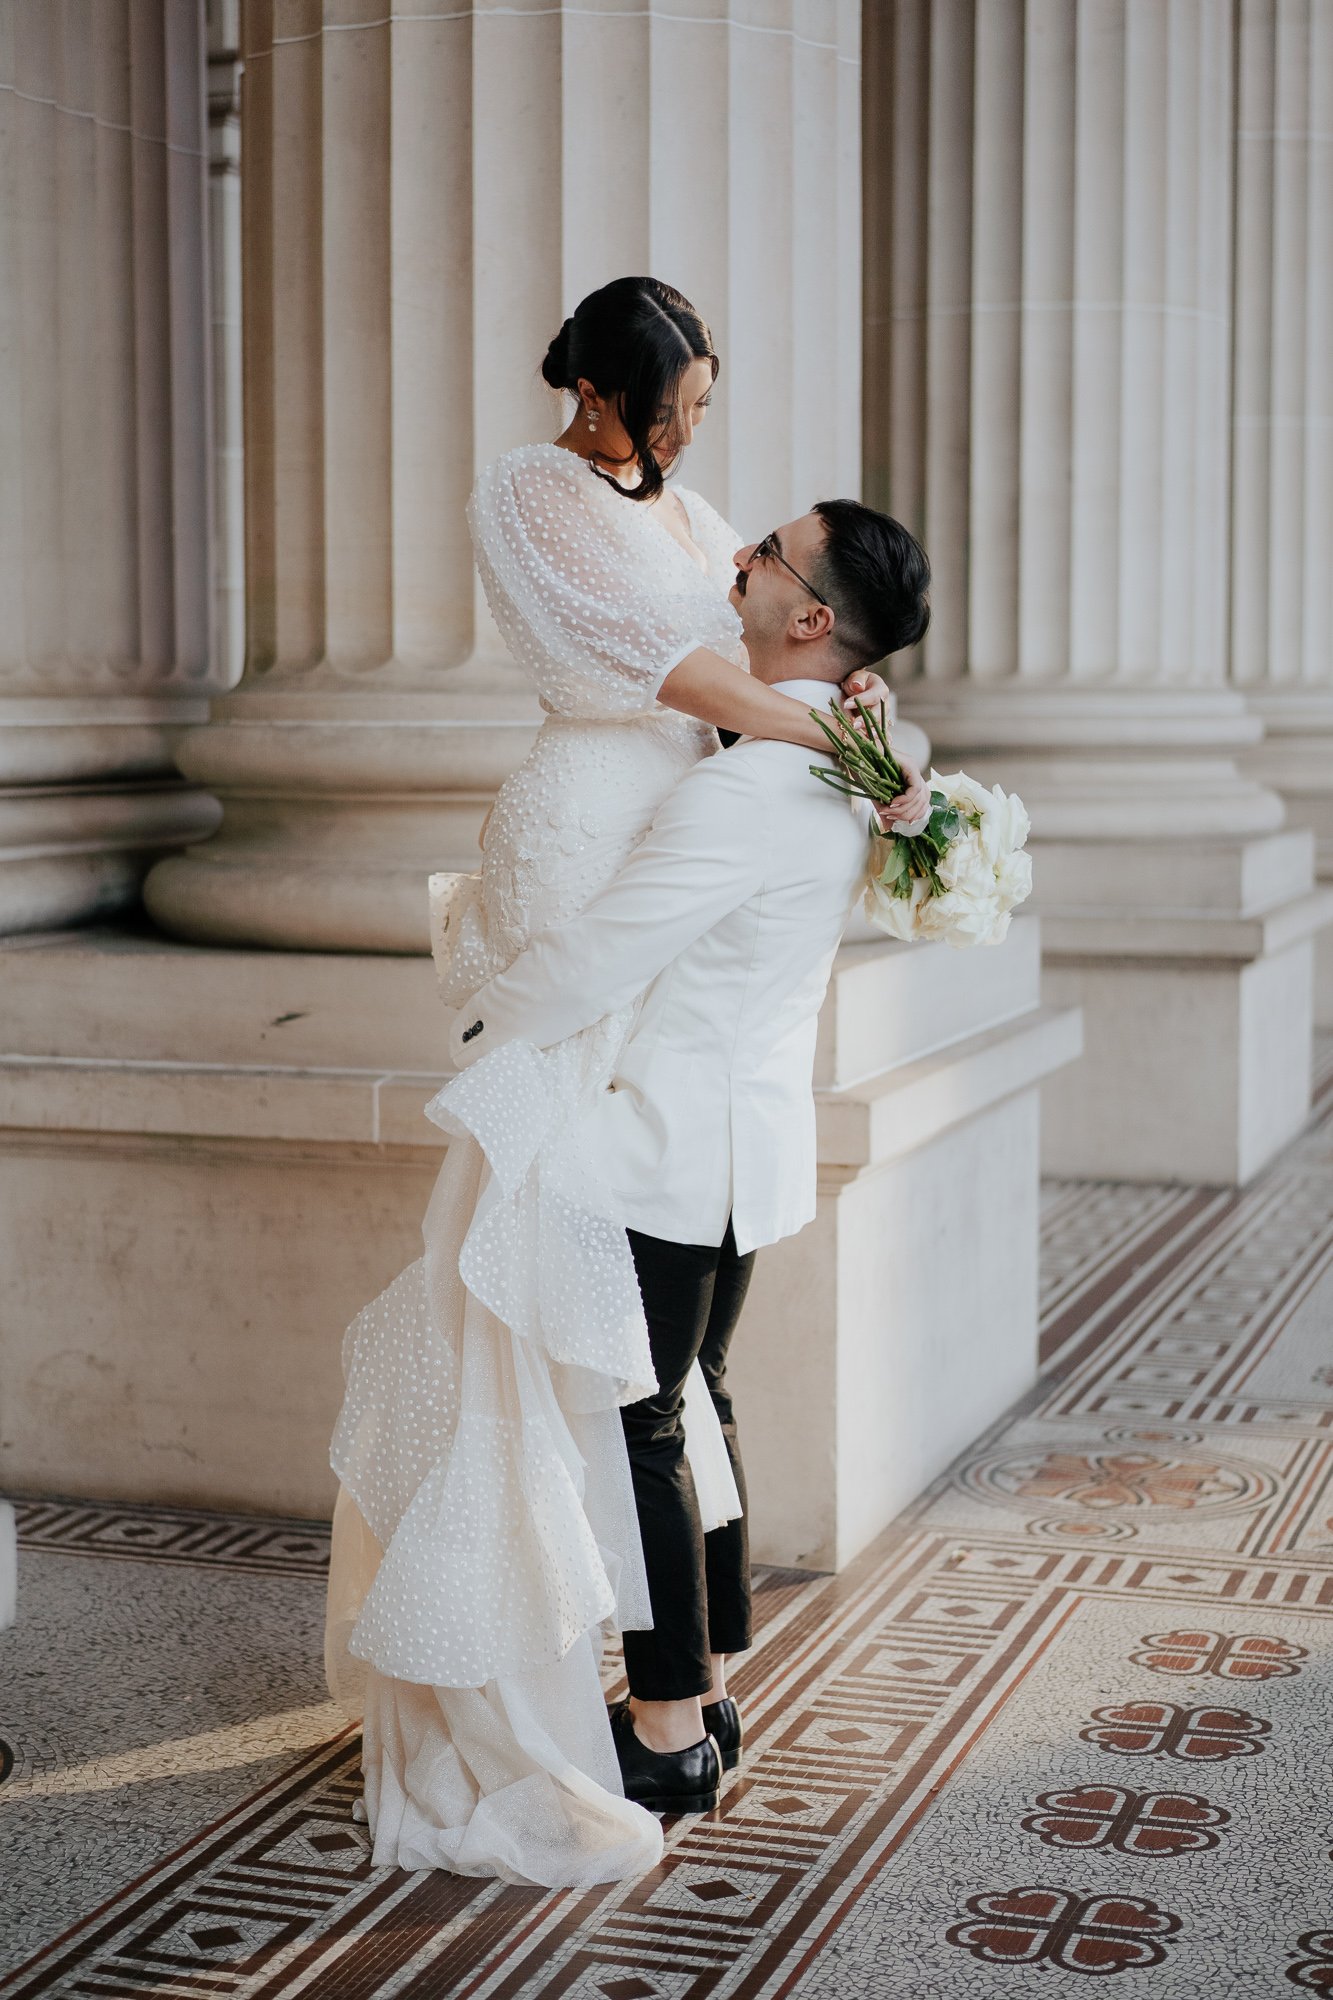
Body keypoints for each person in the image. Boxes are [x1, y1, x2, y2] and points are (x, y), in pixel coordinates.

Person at [324, 276, 929, 1889]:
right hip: (617, 861)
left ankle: (670, 1717)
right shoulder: (533, 493)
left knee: (646, 1396)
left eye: (705, 407)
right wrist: (843, 739)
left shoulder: (749, 710)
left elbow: (764, 666)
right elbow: (681, 672)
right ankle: (685, 1692)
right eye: (679, 403)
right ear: (600, 393)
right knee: (653, 1384)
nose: (694, 441)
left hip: (652, 969)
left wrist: (845, 728)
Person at [447, 499, 931, 1815]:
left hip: (668, 1149)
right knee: (692, 1400)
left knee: (643, 1423)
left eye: (764, 556)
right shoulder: (848, 758)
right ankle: (709, 1682)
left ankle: (663, 1732)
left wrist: (485, 1017)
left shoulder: (753, 785)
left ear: (810, 617)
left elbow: (613, 945)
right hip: (744, 1146)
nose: (737, 563)